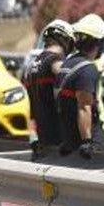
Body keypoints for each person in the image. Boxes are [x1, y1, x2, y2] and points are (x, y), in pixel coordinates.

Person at [56, 14, 104, 157]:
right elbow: (84, 107)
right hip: (88, 138)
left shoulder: (68, 64)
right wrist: (87, 142)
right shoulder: (88, 69)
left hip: (69, 136)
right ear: (98, 43)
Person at [23, 18, 74, 157]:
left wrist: (32, 136)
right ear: (65, 40)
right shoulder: (55, 61)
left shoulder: (31, 66)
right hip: (59, 138)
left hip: (41, 137)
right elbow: (69, 79)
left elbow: (30, 108)